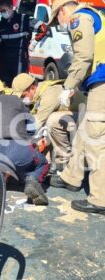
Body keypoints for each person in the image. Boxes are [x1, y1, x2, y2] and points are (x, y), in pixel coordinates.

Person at [48, 0, 105, 214]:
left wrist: (68, 86)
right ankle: (72, 176)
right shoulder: (96, 14)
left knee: (96, 140)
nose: (60, 24)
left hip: (103, 84)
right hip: (98, 84)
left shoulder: (78, 18)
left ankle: (100, 199)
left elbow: (83, 57)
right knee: (84, 130)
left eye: (57, 20)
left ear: (63, 11)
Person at [11, 73, 86, 172]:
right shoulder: (41, 92)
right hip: (76, 116)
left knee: (52, 120)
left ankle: (63, 162)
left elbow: (36, 124)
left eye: (23, 95)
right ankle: (48, 162)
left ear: (32, 88)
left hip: (87, 117)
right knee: (46, 127)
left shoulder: (50, 94)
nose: (22, 99)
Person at [0, 0, 47, 86]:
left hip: (20, 62)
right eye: (1, 11)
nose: (2, 13)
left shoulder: (24, 19)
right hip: (4, 64)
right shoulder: (0, 24)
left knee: (20, 88)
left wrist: (34, 43)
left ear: (11, 7)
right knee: (5, 90)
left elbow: (43, 28)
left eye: (4, 10)